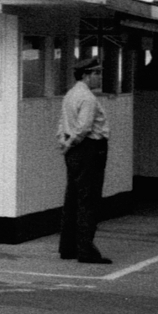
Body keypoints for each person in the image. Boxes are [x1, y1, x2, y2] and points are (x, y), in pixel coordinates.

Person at [56, 56, 111, 265]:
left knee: (72, 198)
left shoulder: (70, 95)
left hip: (74, 152)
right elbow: (84, 127)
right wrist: (72, 142)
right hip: (89, 149)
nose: (99, 77)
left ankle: (67, 247)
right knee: (89, 200)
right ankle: (86, 250)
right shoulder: (88, 98)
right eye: (96, 73)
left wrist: (64, 142)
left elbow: (62, 123)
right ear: (86, 75)